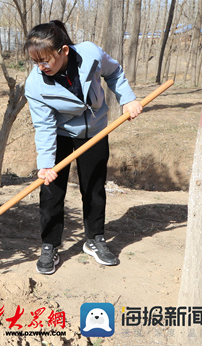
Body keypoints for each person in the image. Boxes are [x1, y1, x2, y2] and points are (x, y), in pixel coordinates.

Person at [23, 21, 142, 275]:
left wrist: (128, 99)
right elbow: (43, 126)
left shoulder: (90, 54)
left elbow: (115, 72)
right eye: (36, 62)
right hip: (60, 133)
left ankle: (94, 239)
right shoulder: (35, 85)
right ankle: (50, 245)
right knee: (52, 191)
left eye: (45, 60)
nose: (41, 67)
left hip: (96, 129)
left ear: (64, 51)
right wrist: (45, 164)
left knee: (94, 187)